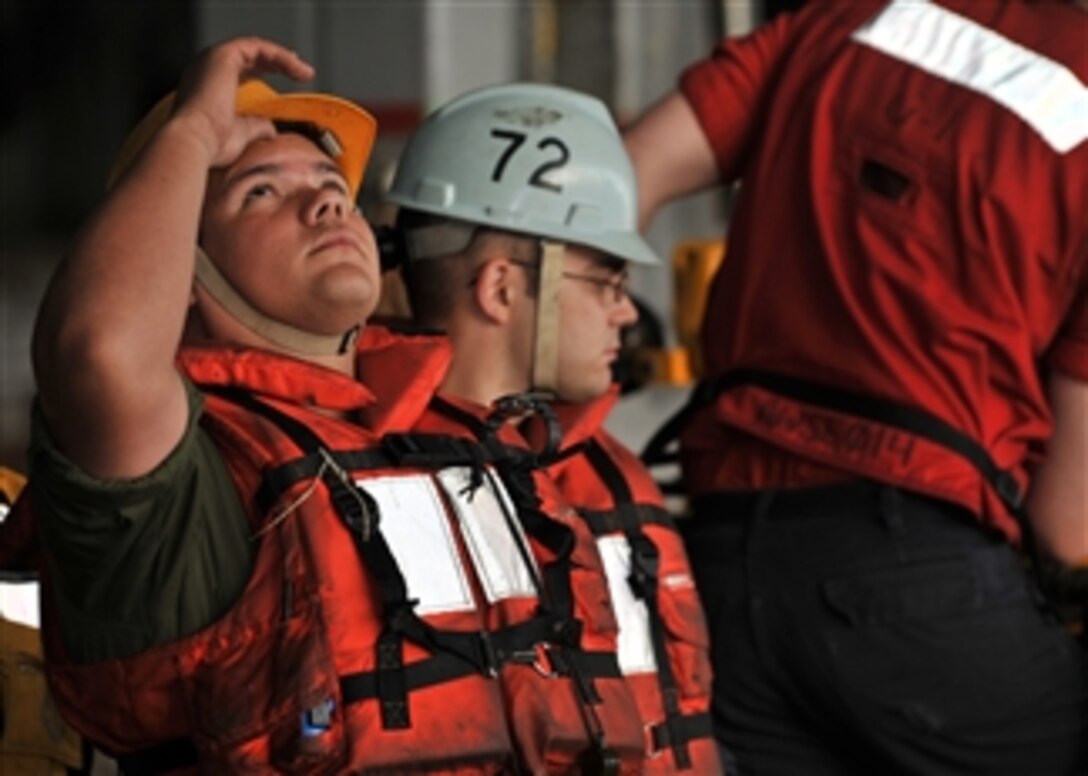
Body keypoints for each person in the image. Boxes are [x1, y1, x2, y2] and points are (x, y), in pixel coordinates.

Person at [23, 37, 644, 774]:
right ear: (180, 274)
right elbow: (98, 351)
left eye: (332, 184)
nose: (324, 199)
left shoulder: (458, 437)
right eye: (261, 192)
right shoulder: (179, 475)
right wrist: (191, 131)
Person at [623, 0, 1088, 773]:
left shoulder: (839, 23)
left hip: (723, 575)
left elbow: (620, 175)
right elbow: (1068, 526)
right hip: (922, 575)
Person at [384, 82, 722, 774]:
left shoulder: (605, 472)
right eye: (608, 281)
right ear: (502, 288)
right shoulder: (374, 485)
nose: (627, 313)